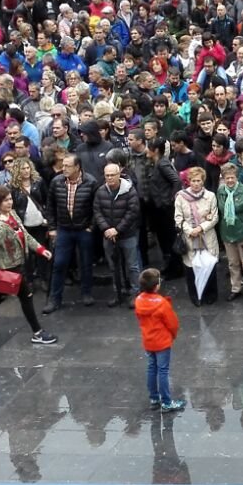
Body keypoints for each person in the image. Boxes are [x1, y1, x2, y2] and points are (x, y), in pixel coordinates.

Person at [0, 186, 58, 346]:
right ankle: (37, 333)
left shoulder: (13, 214)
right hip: (7, 267)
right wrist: (3, 228)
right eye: (5, 200)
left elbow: (25, 235)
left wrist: (40, 249)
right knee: (26, 296)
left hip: (17, 263)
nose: (9, 203)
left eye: (10, 199)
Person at [44, 154, 98, 313]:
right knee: (59, 263)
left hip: (84, 229)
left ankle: (86, 293)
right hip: (64, 229)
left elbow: (97, 207)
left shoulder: (91, 182)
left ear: (77, 167)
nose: (64, 168)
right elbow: (50, 206)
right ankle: (55, 299)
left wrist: (91, 226)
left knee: (86, 263)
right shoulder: (56, 182)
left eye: (67, 165)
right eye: (63, 165)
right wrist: (52, 228)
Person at [134, 268, 185, 413]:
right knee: (163, 370)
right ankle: (167, 402)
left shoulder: (138, 300)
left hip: (148, 340)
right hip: (161, 341)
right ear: (156, 286)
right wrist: (172, 335)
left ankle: (154, 398)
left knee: (152, 368)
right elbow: (173, 323)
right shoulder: (162, 303)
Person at [94, 161, 141, 308]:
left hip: (128, 234)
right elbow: (97, 211)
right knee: (113, 266)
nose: (109, 178)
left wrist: (117, 229)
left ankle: (136, 293)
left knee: (132, 266)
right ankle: (119, 292)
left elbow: (132, 212)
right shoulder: (101, 191)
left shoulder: (130, 191)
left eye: (112, 175)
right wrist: (106, 229)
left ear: (119, 174)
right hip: (109, 235)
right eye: (107, 175)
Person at [174, 165, 220, 306]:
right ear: (189, 181)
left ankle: (211, 293)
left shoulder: (210, 196)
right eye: (193, 181)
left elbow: (215, 217)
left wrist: (200, 228)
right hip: (190, 238)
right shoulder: (181, 197)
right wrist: (189, 230)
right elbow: (178, 218)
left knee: (209, 265)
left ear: (203, 181)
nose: (196, 183)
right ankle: (195, 295)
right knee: (191, 267)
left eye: (198, 180)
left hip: (207, 237)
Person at [215, 162, 243, 304]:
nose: (229, 180)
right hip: (227, 232)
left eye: (232, 177)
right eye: (227, 178)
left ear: (237, 177)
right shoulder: (220, 191)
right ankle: (235, 288)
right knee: (232, 263)